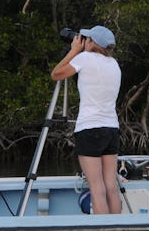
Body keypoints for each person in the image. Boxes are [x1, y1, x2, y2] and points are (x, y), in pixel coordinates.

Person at [51, 25, 122, 214]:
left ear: (92, 43)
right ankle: (117, 228)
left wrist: (74, 51)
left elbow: (56, 74)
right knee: (111, 187)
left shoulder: (84, 58)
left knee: (97, 188)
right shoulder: (114, 64)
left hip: (90, 128)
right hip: (111, 129)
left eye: (87, 39)